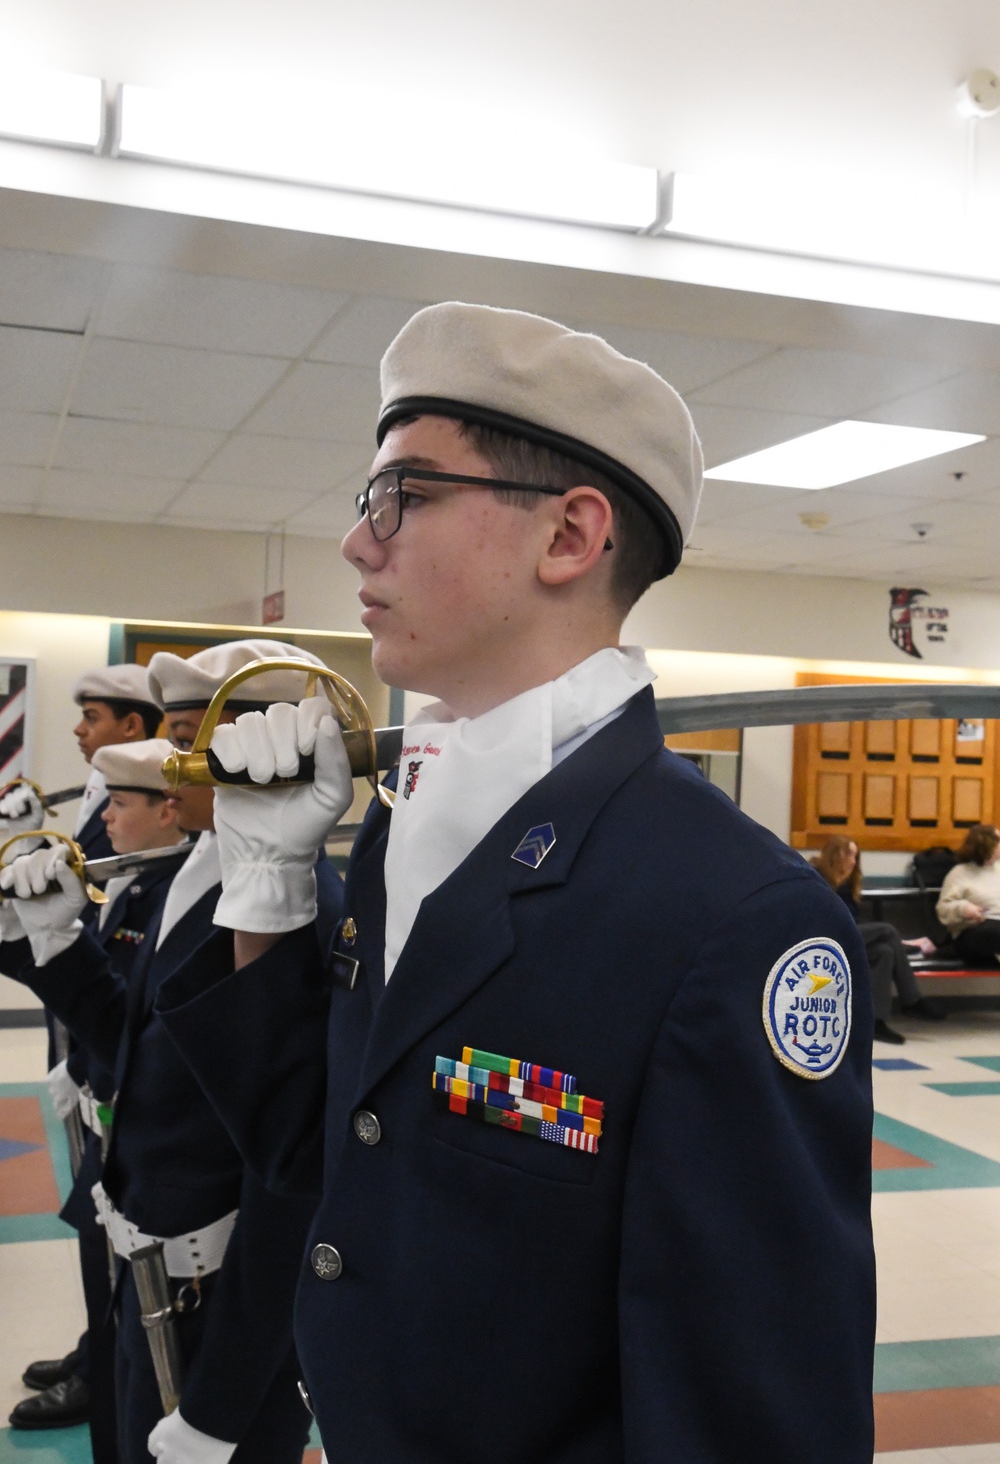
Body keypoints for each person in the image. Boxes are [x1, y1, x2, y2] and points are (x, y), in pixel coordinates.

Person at [148, 304, 871, 1462]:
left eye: (405, 496)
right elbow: (325, 1153)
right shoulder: (405, 832)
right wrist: (270, 882)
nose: (356, 543)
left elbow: (750, 1402)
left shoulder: (730, 917)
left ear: (569, 536)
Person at [1, 640, 344, 1464]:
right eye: (177, 737)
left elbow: (291, 1177)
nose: (178, 763)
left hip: (226, 1299)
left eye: (198, 739)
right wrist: (54, 939)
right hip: (146, 1266)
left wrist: (223, 1402)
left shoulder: (295, 901)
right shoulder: (196, 868)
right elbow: (133, 1045)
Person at [6, 740, 190, 1459]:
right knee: (113, 1331)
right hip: (116, 1138)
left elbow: (138, 1026)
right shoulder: (145, 883)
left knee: (155, 1377)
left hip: (169, 1171)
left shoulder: (179, 889)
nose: (107, 815)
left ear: (167, 807)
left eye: (121, 801)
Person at [811, 836, 945, 1045]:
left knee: (884, 952)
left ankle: (876, 1022)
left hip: (846, 936)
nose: (853, 861)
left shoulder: (847, 883)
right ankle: (911, 1000)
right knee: (888, 930)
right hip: (825, 937)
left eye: (856, 856)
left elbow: (852, 919)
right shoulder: (816, 877)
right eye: (849, 855)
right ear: (834, 855)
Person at [937, 823, 1000, 965]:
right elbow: (943, 909)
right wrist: (963, 908)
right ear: (987, 845)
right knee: (993, 931)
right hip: (973, 931)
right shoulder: (959, 873)